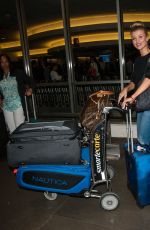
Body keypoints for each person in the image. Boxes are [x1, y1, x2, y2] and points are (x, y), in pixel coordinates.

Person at [118, 21, 150, 151]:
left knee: (143, 139)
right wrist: (126, 89)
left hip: (148, 104)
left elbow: (148, 79)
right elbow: (134, 82)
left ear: (147, 37)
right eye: (134, 38)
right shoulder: (137, 61)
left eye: (140, 36)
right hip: (142, 103)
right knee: (144, 139)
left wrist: (133, 96)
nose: (137, 41)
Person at [0, 54, 33, 133]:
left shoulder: (18, 72)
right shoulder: (0, 76)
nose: (4, 64)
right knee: (11, 130)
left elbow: (31, 81)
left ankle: (22, 144)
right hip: (6, 106)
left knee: (19, 128)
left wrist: (30, 89)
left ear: (9, 62)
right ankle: (15, 145)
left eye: (6, 62)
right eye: (2, 62)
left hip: (18, 104)